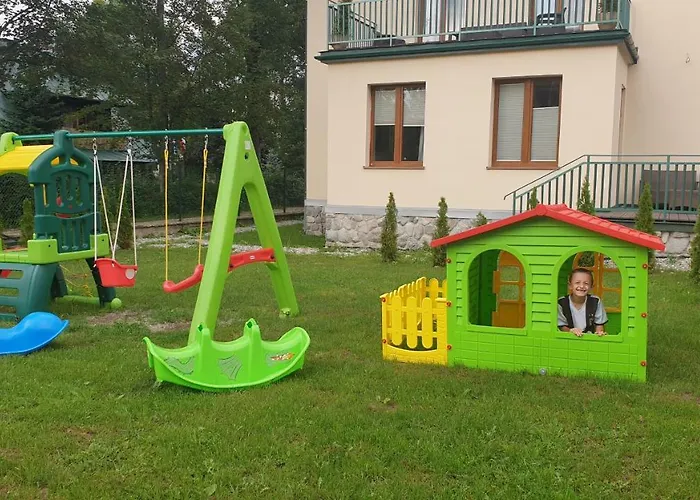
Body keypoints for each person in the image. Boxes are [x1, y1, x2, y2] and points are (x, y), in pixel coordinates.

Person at [557, 268, 608, 337]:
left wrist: (599, 333)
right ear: (570, 285)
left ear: (591, 287)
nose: (581, 286)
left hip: (590, 338)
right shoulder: (561, 302)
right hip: (569, 338)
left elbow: (599, 324)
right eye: (577, 282)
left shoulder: (595, 301)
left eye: (586, 283)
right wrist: (570, 331)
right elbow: (561, 326)